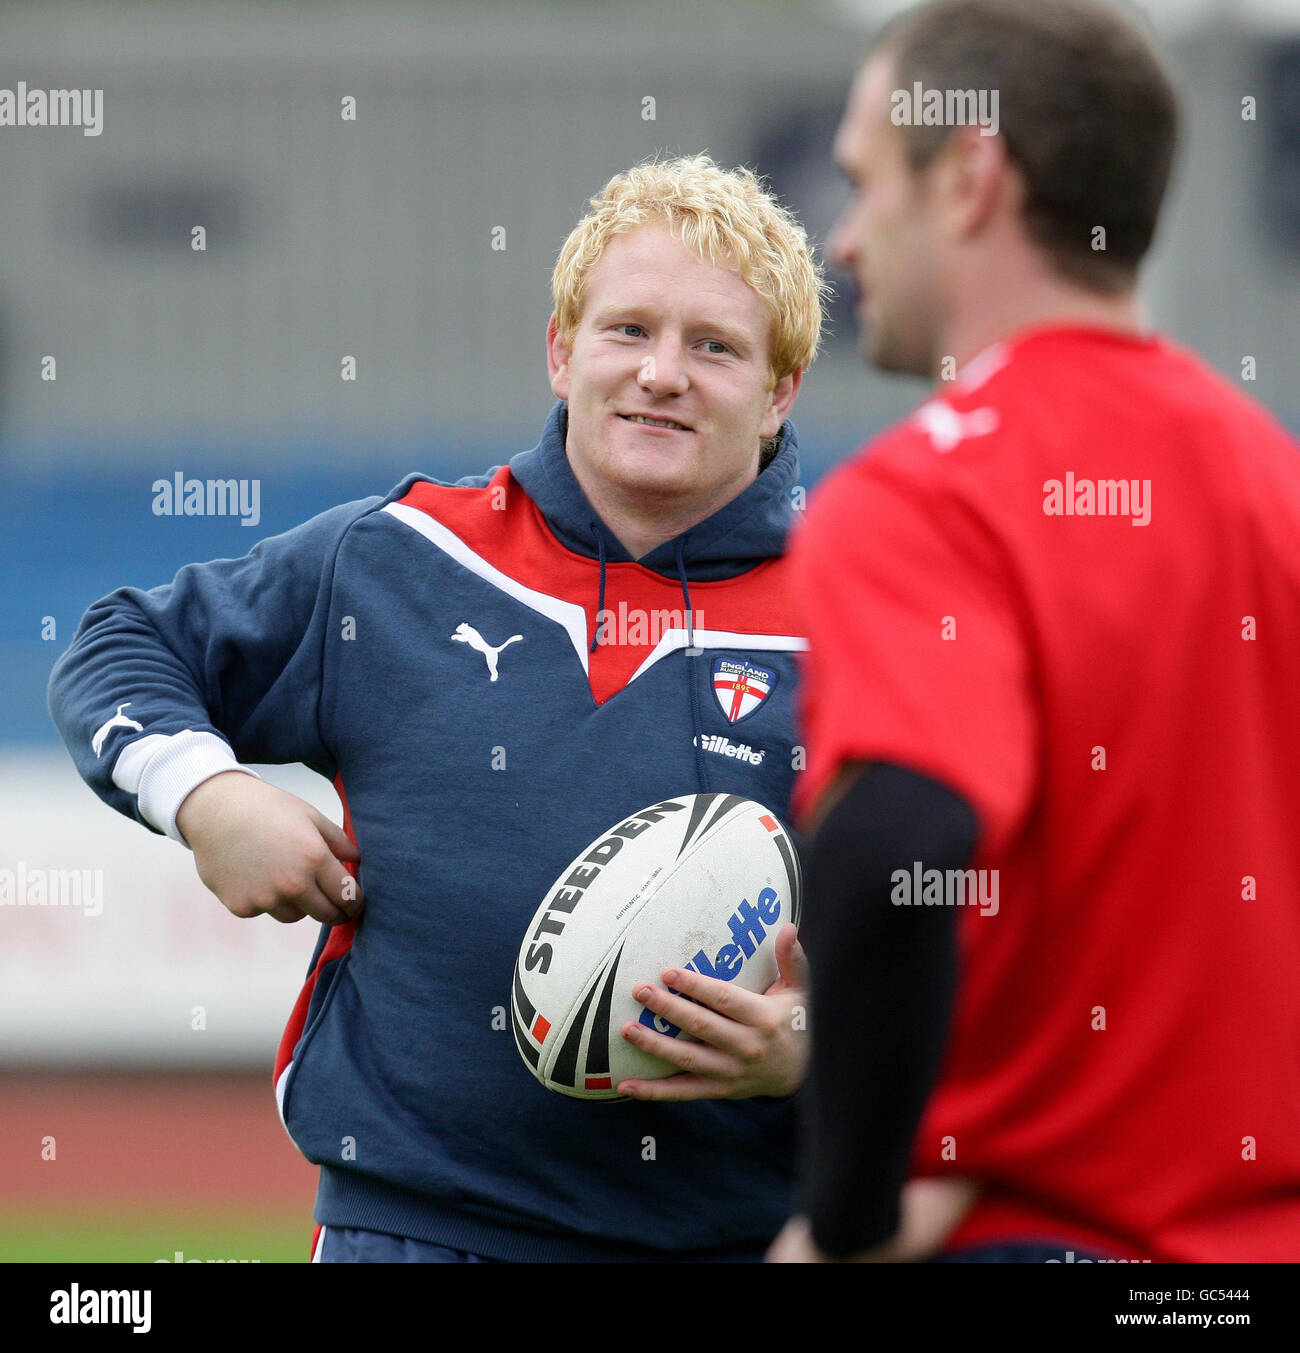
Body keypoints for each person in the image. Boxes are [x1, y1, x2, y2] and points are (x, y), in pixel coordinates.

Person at [48, 154, 828, 1262]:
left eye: (713, 346)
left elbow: (991, 941)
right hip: (407, 1231)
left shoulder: (864, 622)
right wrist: (208, 794)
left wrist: (820, 1040)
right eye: (627, 331)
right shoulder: (398, 558)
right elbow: (120, 644)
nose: (662, 373)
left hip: (725, 1240)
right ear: (561, 352)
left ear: (779, 390)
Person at [770, 0, 1300, 1263]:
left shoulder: (921, 497)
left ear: (967, 177)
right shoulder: (1270, 482)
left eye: (859, 181)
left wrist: (847, 1220)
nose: (843, 241)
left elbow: (899, 836)